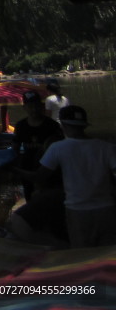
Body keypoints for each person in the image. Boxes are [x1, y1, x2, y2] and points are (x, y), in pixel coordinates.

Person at [30, 105, 116, 248]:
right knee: (109, 255)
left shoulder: (58, 148)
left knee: (82, 256)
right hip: (107, 209)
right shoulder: (106, 147)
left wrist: (14, 170)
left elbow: (40, 176)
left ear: (63, 125)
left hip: (77, 210)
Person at [11, 91, 63, 199]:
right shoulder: (21, 126)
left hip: (49, 170)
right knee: (30, 198)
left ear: (41, 106)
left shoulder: (52, 126)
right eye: (30, 106)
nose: (34, 109)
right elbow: (15, 148)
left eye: (36, 106)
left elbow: (60, 149)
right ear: (25, 107)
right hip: (28, 168)